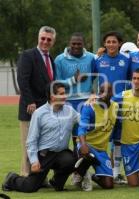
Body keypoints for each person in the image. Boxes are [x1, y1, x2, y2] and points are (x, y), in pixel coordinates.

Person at [2, 82, 78, 192]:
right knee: (30, 187)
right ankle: (11, 179)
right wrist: (34, 161)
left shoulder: (70, 111)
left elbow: (83, 119)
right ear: (52, 97)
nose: (65, 96)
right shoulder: (39, 113)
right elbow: (31, 140)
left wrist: (91, 105)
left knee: (73, 161)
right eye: (61, 94)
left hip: (61, 153)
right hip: (44, 155)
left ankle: (57, 182)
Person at [54, 32, 95, 191]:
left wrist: (94, 94)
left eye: (79, 44)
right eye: (74, 44)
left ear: (84, 44)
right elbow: (57, 83)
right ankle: (63, 172)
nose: (76, 46)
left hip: (85, 102)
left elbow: (97, 76)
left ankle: (81, 174)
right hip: (67, 102)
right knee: (64, 139)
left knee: (82, 140)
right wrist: (73, 80)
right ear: (69, 43)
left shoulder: (91, 58)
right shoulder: (59, 59)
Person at [17, 26, 56, 177]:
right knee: (29, 144)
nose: (45, 42)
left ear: (53, 41)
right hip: (30, 109)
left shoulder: (50, 59)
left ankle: (39, 177)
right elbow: (23, 80)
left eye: (49, 39)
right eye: (43, 38)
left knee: (42, 146)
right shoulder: (28, 55)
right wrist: (30, 101)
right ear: (38, 38)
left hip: (45, 110)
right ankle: (26, 175)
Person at [92, 31, 131, 184]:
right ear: (104, 44)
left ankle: (116, 173)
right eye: (108, 42)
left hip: (121, 105)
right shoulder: (99, 60)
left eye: (114, 42)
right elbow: (91, 78)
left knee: (118, 139)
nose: (111, 44)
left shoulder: (126, 59)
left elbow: (132, 78)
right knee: (103, 136)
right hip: (103, 106)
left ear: (119, 44)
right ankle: (105, 169)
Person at [76, 83, 118, 189]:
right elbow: (81, 129)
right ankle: (82, 174)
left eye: (106, 91)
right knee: (85, 154)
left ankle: (91, 175)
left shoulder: (116, 106)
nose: (103, 94)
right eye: (101, 91)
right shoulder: (90, 107)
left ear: (112, 93)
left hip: (101, 150)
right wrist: (83, 144)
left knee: (108, 185)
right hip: (87, 145)